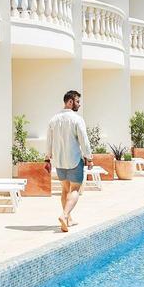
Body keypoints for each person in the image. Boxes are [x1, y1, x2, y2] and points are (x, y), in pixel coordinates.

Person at [45, 90, 93, 232]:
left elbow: (49, 141)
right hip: (74, 160)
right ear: (70, 102)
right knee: (75, 189)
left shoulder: (53, 120)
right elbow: (84, 140)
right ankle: (65, 215)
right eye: (77, 101)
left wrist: (47, 159)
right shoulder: (77, 119)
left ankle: (69, 219)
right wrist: (89, 158)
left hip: (59, 161)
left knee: (65, 190)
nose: (79, 104)